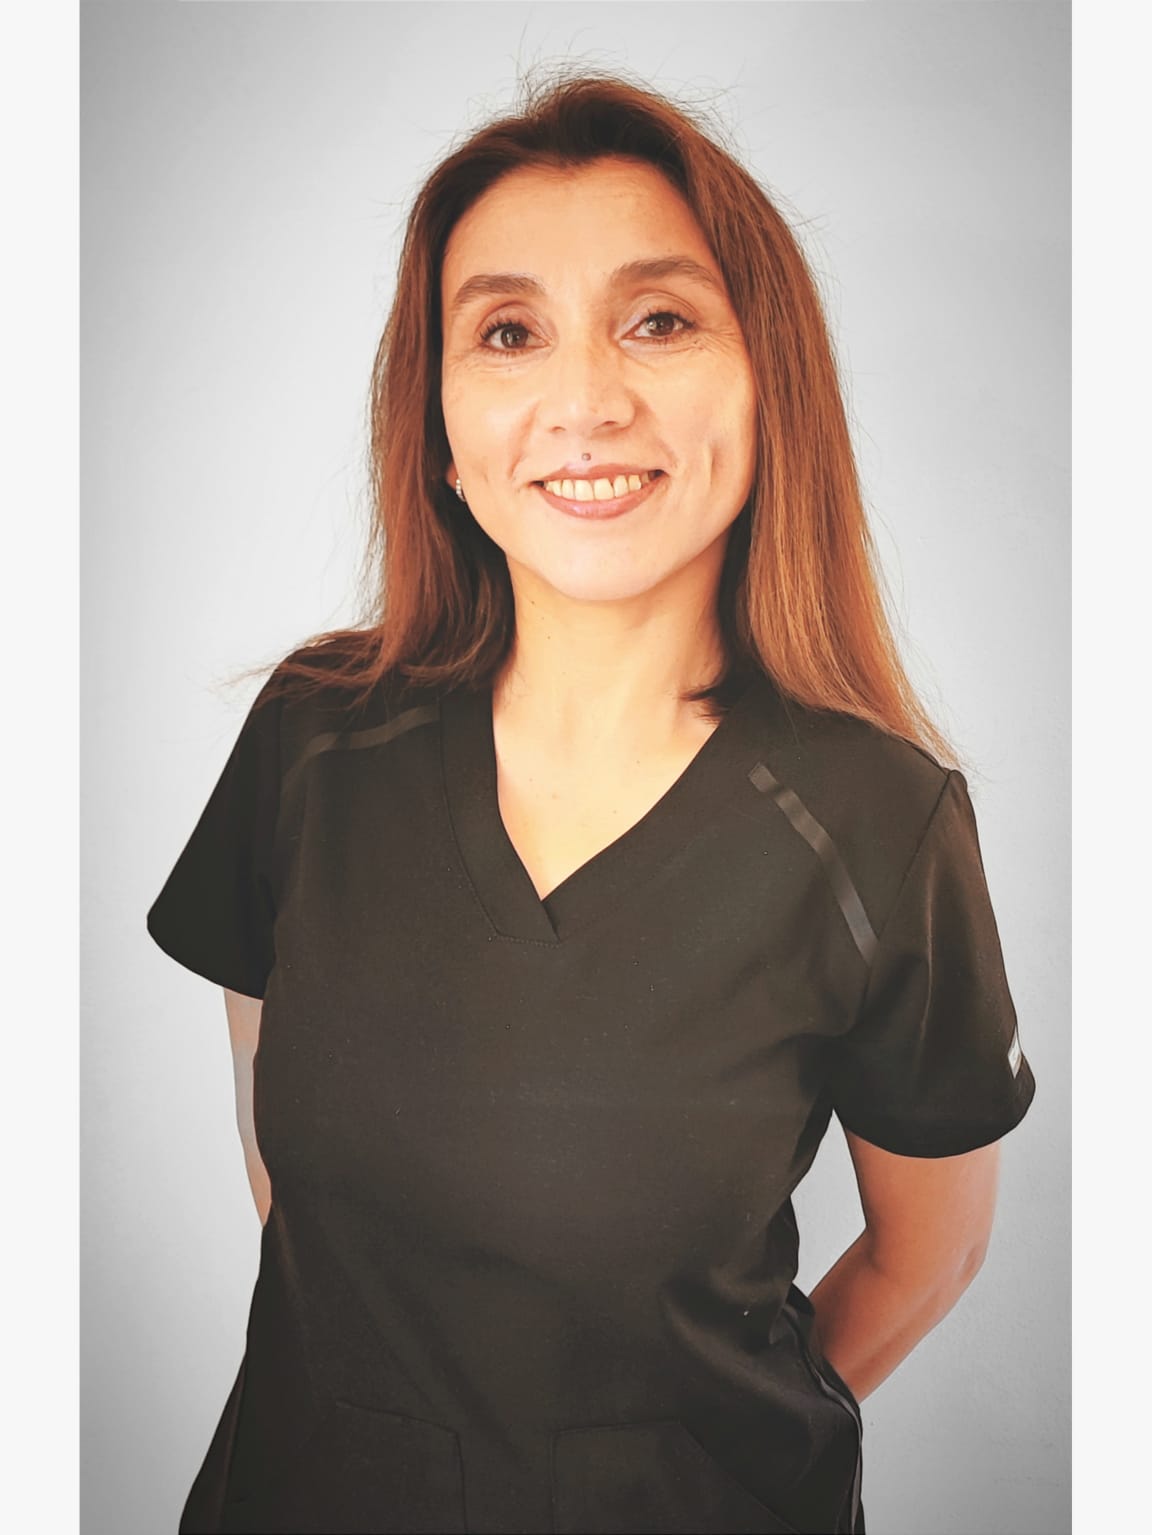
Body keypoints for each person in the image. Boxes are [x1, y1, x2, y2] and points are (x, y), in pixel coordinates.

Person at [146, 69, 1036, 1535]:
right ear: (441, 426)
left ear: (766, 382)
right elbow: (288, 1174)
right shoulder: (313, 743)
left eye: (659, 321)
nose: (585, 402)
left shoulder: (881, 824)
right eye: (508, 332)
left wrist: (681, 1460)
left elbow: (925, 1257)